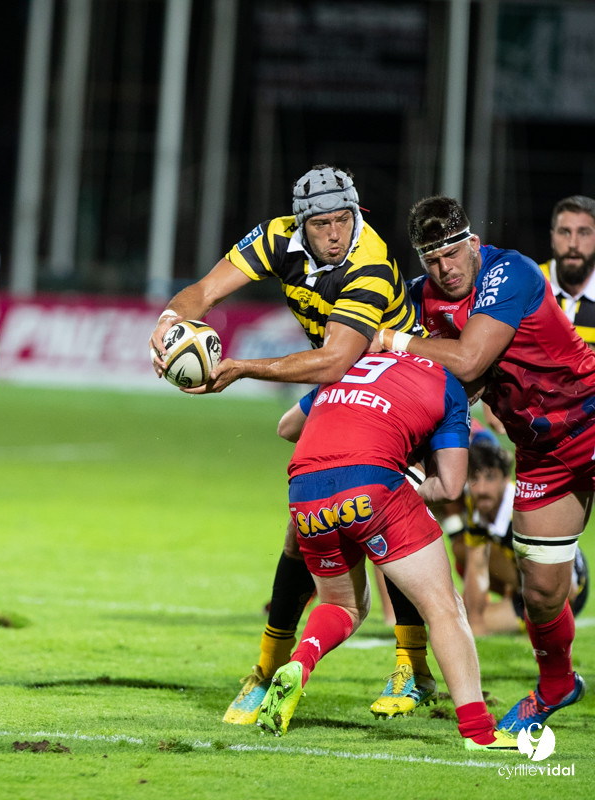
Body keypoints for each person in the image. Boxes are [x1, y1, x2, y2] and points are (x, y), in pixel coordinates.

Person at [148, 165, 435, 723]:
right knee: (303, 527)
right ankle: (266, 669)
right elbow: (205, 291)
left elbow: (333, 360)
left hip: (400, 387)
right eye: (323, 223)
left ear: (359, 215)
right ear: (303, 224)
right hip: (348, 385)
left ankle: (410, 666)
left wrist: (241, 369)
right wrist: (167, 322)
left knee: (384, 519)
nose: (335, 233)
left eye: (344, 220)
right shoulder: (278, 237)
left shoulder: (369, 264)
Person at [371, 195, 593, 733]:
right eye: (431, 260)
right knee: (540, 593)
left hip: (590, 415)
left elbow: (469, 359)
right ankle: (557, 685)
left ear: (472, 243)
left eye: (451, 253)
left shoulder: (509, 271)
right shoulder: (420, 299)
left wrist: (396, 340)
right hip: (543, 454)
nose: (445, 269)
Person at [254, 351, 515, 751]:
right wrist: (406, 484)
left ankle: (298, 665)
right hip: (370, 483)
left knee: (342, 606)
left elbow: (286, 427)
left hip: (303, 491)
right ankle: (479, 733)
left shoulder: (358, 359)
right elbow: (448, 488)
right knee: (445, 608)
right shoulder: (452, 387)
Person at [459, 434, 589, 636]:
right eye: (474, 478)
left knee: (465, 621)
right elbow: (476, 567)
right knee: (465, 620)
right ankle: (511, 598)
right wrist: (475, 624)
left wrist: (542, 625)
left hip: (567, 587)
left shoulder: (523, 511)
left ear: (505, 478)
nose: (481, 488)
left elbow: (566, 586)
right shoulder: (474, 504)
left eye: (490, 477)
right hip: (526, 579)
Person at [540, 195, 595, 349]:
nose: (573, 244)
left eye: (583, 233)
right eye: (565, 232)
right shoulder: (527, 283)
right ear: (552, 238)